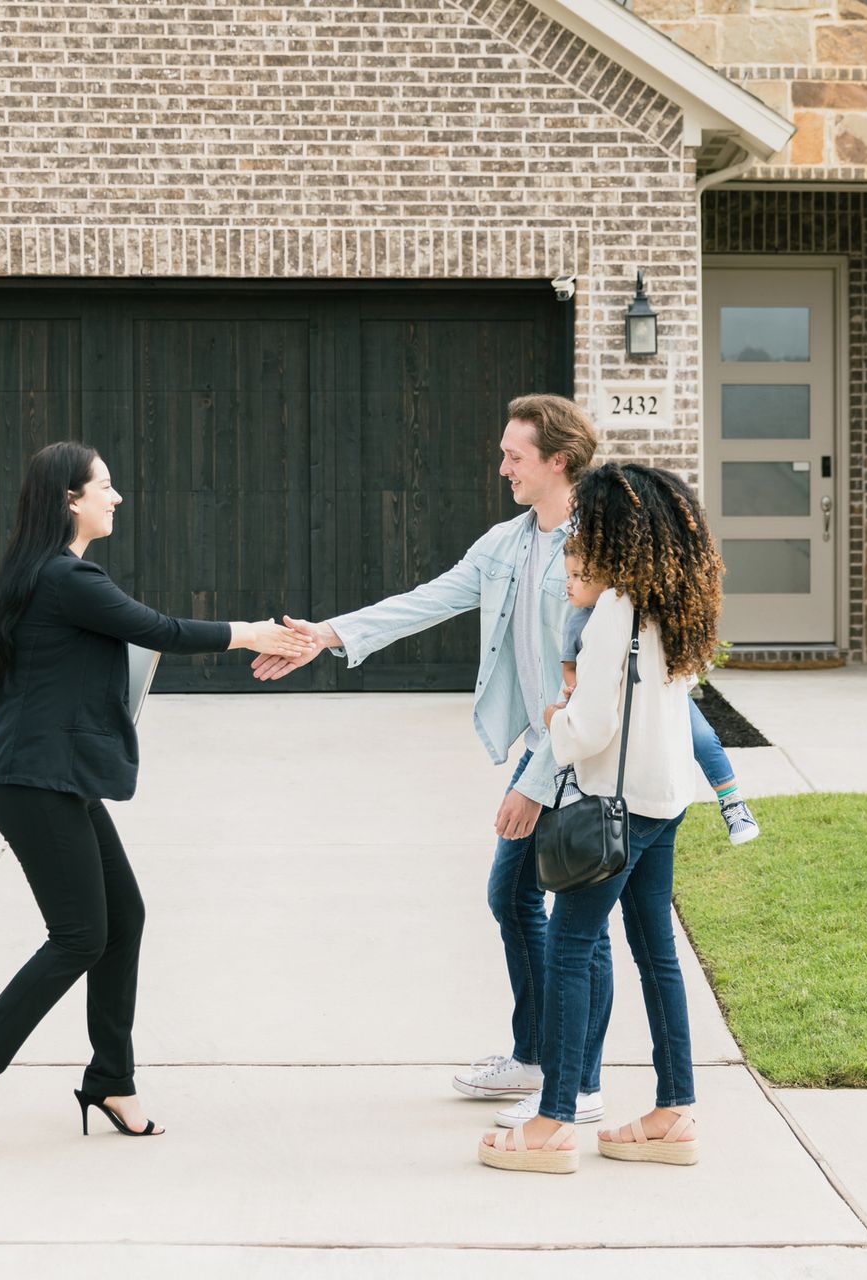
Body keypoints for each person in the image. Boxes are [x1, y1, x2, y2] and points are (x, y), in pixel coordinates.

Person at [0, 441, 313, 1151]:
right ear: (69, 499)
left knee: (122, 918)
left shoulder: (48, 574)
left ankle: (110, 1080)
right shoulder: (64, 577)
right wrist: (251, 634)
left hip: (54, 777)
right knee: (79, 936)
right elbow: (159, 630)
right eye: (104, 486)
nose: (117, 497)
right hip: (33, 781)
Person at [250, 394, 613, 1126]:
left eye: (514, 455)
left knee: (579, 922)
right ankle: (537, 1057)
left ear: (559, 461)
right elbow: (427, 600)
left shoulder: (598, 549)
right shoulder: (507, 543)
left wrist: (535, 785)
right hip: (542, 746)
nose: (502, 467)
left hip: (589, 756)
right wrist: (326, 634)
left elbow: (596, 684)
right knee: (515, 898)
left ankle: (579, 1084)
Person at [479, 462, 717, 1175]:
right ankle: (675, 1112)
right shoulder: (672, 602)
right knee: (656, 953)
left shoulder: (615, 608)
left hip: (615, 807)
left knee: (568, 948)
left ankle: (554, 1122)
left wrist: (557, 718)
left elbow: (591, 727)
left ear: (615, 529)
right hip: (663, 801)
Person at [558, 552, 760, 846]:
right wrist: (575, 689)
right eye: (569, 576)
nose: (568, 584)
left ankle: (732, 802)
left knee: (703, 736)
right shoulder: (577, 622)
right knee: (564, 713)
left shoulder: (640, 604)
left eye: (578, 576)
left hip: (659, 694)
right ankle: (566, 775)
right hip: (599, 696)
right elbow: (569, 668)